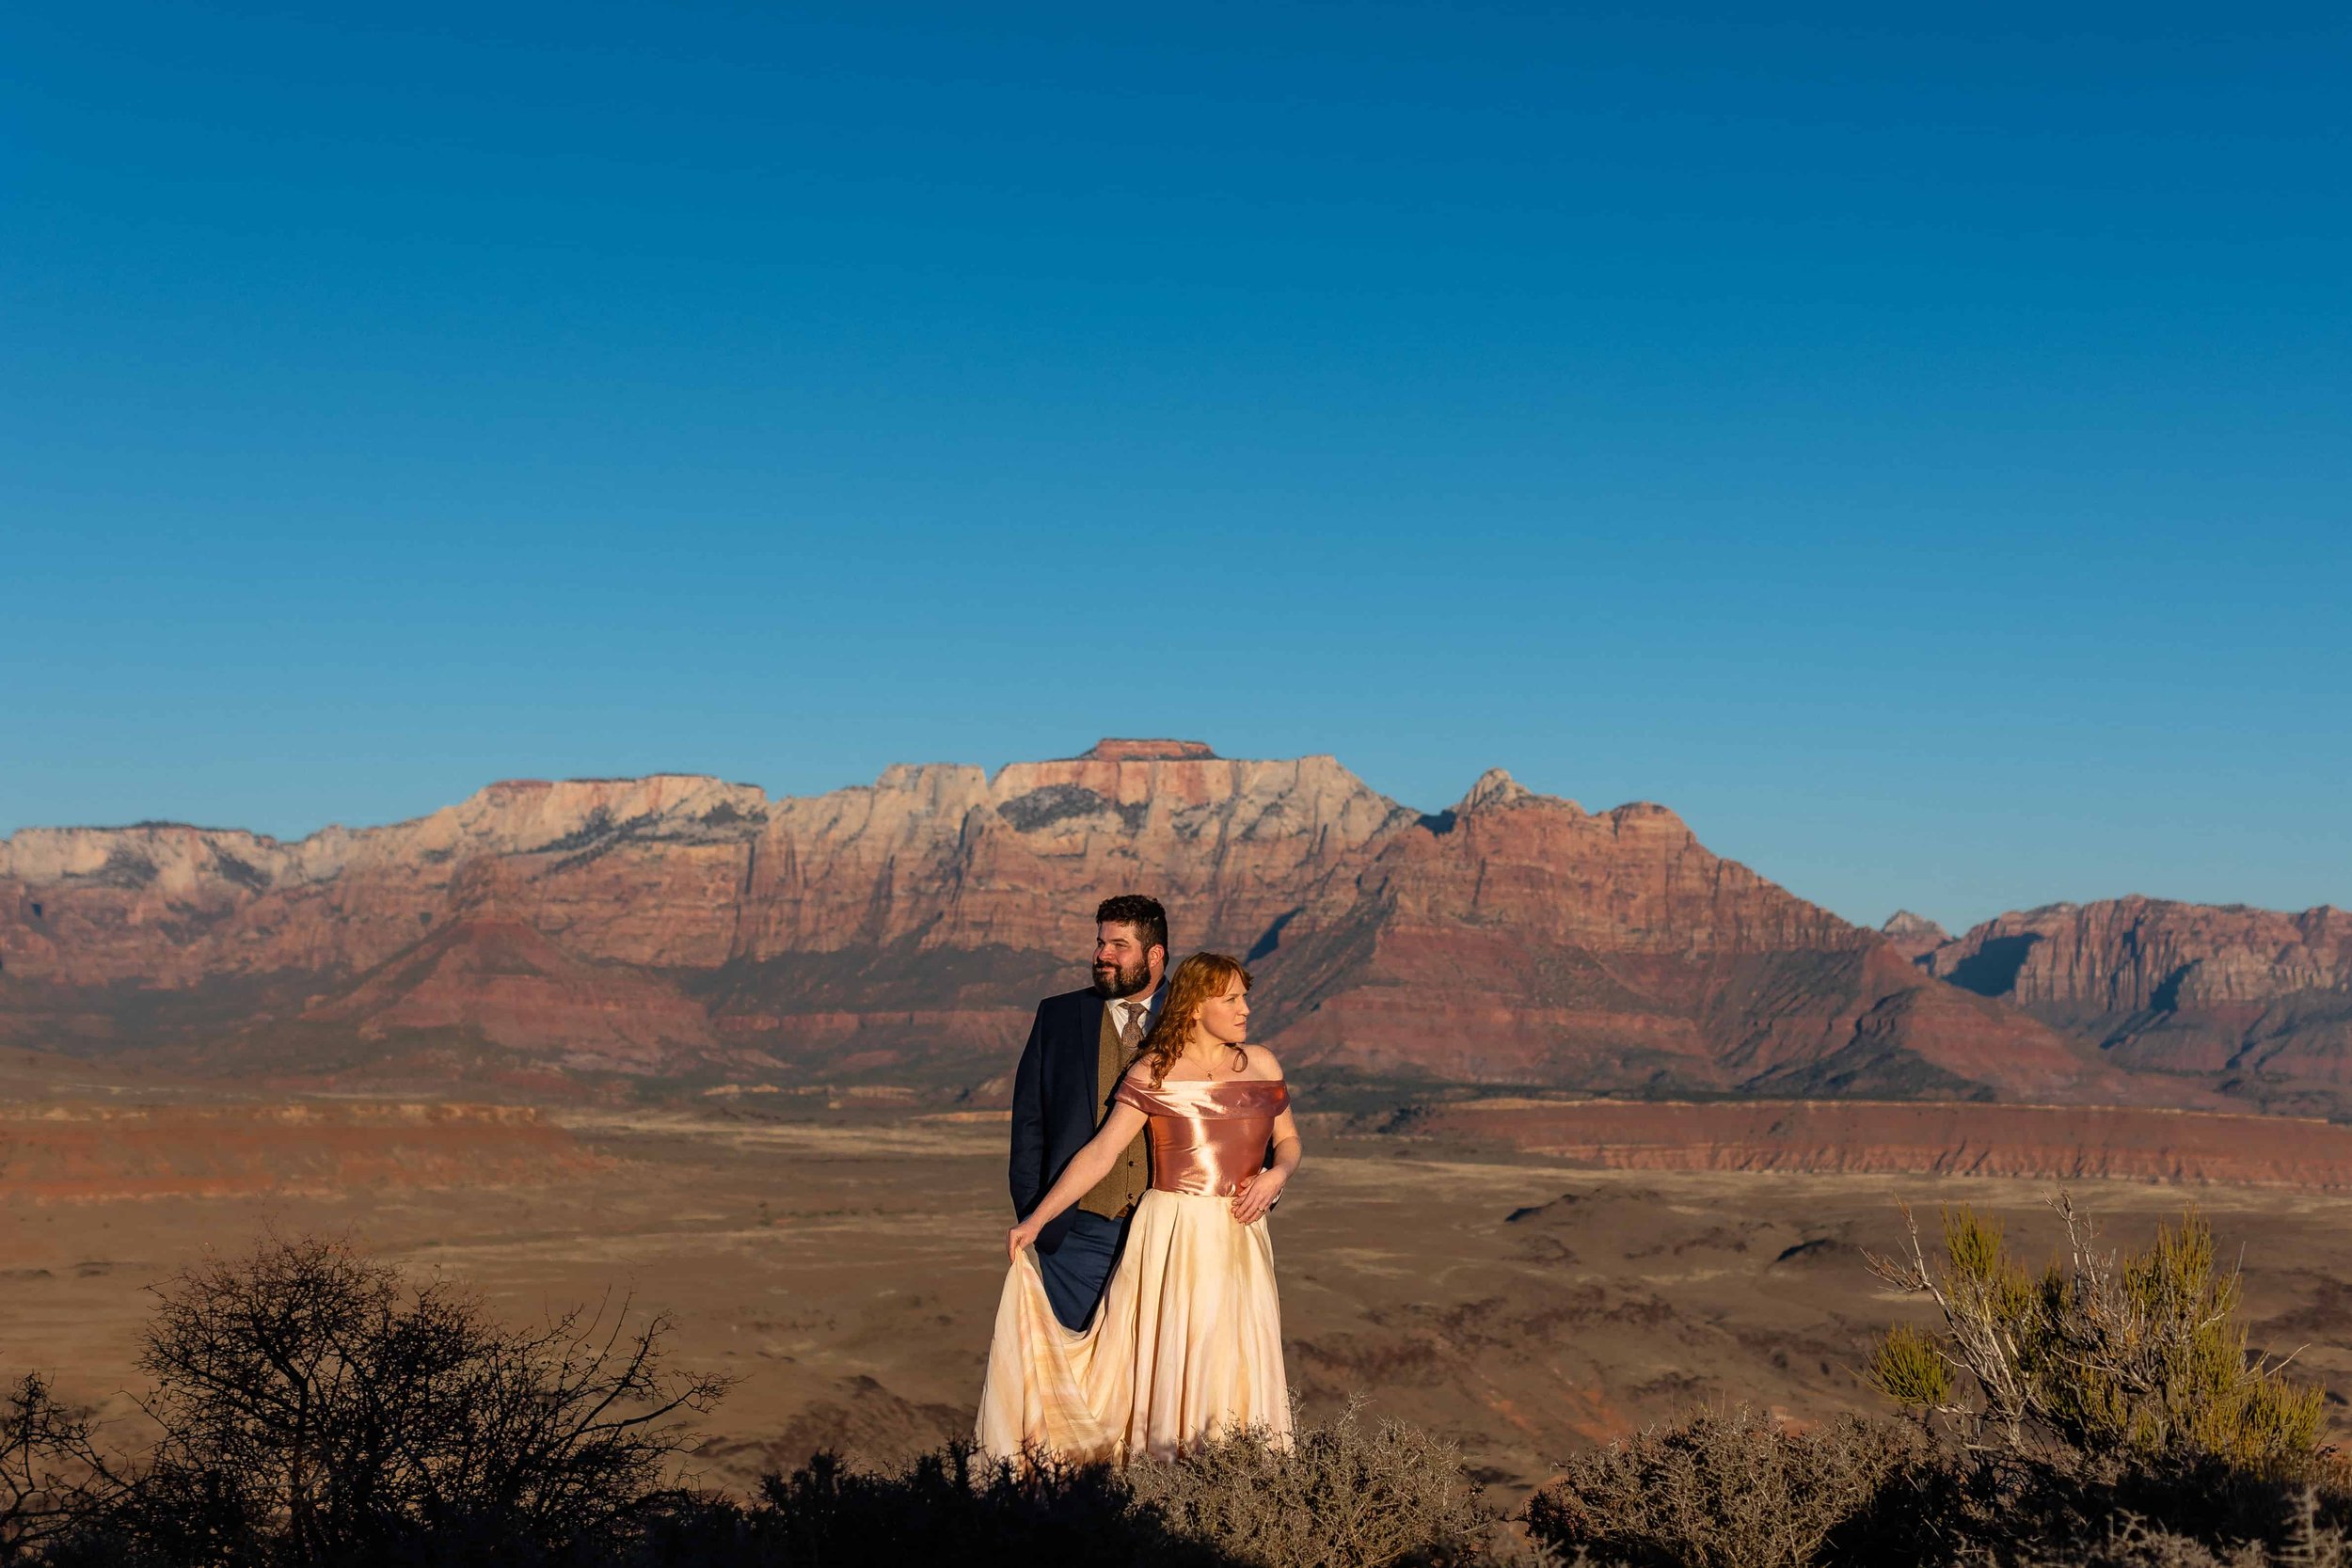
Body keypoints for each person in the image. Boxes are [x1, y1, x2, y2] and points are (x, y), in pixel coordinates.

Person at [977, 951, 1301, 1465]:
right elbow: (1101, 1153)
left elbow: (1288, 1143)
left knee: (1236, 1352)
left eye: (1244, 997)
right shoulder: (1154, 1070)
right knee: (1174, 1350)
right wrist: (1036, 1219)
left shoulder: (1262, 1063)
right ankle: (1171, 1472)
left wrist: (1275, 1176)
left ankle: (1239, 1478)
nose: (1244, 1009)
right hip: (1173, 1233)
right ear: (1196, 1006)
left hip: (1240, 1235)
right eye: (1232, 998)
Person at [1007, 895, 1170, 1332]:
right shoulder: (1057, 1016)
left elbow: (1240, 1110)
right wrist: (1038, 1212)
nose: (1102, 955)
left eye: (1119, 945)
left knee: (1160, 1373)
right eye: (1100, 943)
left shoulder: (1192, 1016)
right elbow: (1029, 1123)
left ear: (1154, 955)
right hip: (1078, 1235)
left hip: (1173, 1233)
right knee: (1083, 1375)